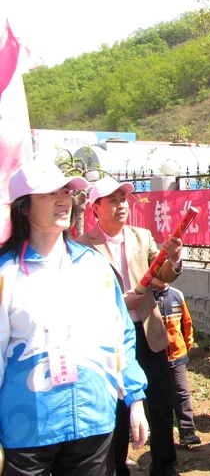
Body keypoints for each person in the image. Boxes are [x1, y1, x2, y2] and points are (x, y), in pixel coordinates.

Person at [0, 161, 149, 475]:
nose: (62, 200)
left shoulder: (94, 266)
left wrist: (135, 400)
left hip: (92, 418)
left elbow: (120, 335)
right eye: (49, 194)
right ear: (24, 207)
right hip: (27, 423)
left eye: (66, 191)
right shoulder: (6, 273)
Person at [76, 177, 183, 476]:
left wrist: (173, 258)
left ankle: (164, 465)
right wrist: (118, 304)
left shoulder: (142, 236)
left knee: (160, 404)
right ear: (95, 208)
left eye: (123, 200)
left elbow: (161, 277)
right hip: (107, 339)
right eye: (112, 200)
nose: (121, 205)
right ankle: (117, 466)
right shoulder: (82, 246)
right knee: (118, 408)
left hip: (147, 333)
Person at [150, 279, 201, 447]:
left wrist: (185, 346)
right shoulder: (146, 298)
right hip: (155, 357)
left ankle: (187, 431)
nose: (165, 277)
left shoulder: (177, 296)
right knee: (155, 396)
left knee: (181, 393)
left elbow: (187, 324)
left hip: (177, 356)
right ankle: (157, 432)